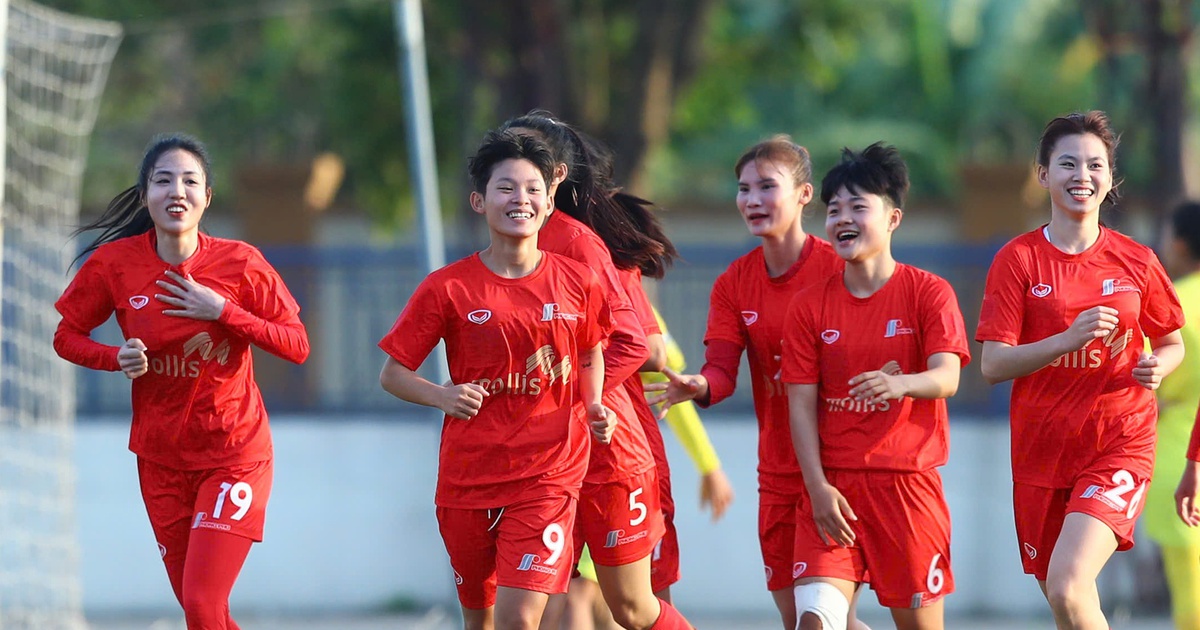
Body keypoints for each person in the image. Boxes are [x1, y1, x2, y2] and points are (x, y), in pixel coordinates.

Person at [53, 133, 310, 629]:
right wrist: (116, 357)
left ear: (207, 197)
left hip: (234, 454)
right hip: (161, 460)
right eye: (163, 180)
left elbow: (296, 344)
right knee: (204, 612)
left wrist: (225, 312)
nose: (177, 191)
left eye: (190, 181)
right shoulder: (114, 265)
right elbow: (67, 336)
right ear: (146, 193)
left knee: (201, 603)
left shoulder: (240, 263)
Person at [378, 129, 616, 630]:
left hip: (549, 475)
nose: (520, 200)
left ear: (550, 202)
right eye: (506, 188)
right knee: (479, 621)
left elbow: (593, 350)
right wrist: (443, 395)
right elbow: (394, 374)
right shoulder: (448, 288)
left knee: (518, 618)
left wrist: (593, 403)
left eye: (532, 189)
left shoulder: (579, 282)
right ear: (479, 201)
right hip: (467, 481)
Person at [647, 135, 869, 630]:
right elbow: (722, 369)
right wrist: (698, 386)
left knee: (820, 619)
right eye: (743, 189)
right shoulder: (733, 283)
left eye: (767, 186)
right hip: (777, 474)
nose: (751, 200)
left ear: (805, 195)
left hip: (839, 472)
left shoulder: (840, 269)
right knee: (808, 622)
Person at [976, 110, 1185, 630]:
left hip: (1119, 441)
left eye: (1095, 165)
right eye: (1067, 163)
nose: (1082, 176)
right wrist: (1067, 339)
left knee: (1069, 583)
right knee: (1064, 597)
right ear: (1043, 173)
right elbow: (993, 364)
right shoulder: (1018, 261)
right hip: (1042, 451)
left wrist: (1157, 366)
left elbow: (1172, 342)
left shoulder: (1137, 260)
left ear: (1110, 177)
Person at [498, 111, 693, 630]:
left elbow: (642, 346)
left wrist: (578, 399)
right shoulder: (493, 256)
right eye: (507, 163)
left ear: (557, 176)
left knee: (630, 607)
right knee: (527, 610)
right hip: (539, 458)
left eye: (531, 161)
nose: (518, 175)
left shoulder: (579, 244)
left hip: (608, 449)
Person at [781, 142, 968, 630]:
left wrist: (900, 384)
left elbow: (949, 376)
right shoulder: (808, 307)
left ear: (893, 219)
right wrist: (817, 487)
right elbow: (799, 404)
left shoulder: (929, 292)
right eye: (834, 208)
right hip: (833, 491)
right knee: (816, 621)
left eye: (858, 206)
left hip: (906, 490)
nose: (843, 217)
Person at [1145, 201, 1200, 630]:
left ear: (1180, 244)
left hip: (1179, 451)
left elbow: (1144, 379)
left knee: (1190, 586)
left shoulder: (1174, 305)